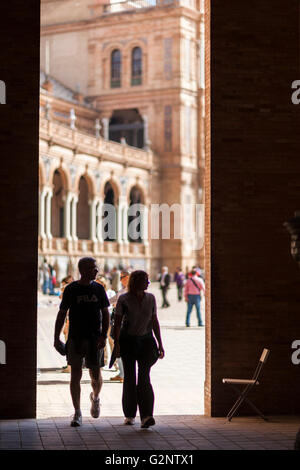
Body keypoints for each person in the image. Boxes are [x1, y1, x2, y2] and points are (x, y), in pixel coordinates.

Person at [54, 257, 110, 427]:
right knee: (75, 375)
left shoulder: (99, 289)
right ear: (83, 270)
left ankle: (96, 397)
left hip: (95, 338)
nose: (97, 271)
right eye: (93, 268)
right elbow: (62, 313)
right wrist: (56, 337)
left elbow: (105, 313)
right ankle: (77, 411)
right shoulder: (71, 289)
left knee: (95, 374)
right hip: (76, 338)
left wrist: (104, 336)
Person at [113, 270, 165, 428]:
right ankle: (129, 414)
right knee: (129, 378)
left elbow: (154, 320)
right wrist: (116, 344)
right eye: (145, 280)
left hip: (146, 341)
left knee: (144, 378)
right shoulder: (124, 299)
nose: (148, 283)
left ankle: (146, 416)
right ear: (136, 281)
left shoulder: (151, 298)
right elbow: (117, 323)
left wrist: (160, 344)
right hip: (128, 341)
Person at [108, 270, 130, 382]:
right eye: (120, 277)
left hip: (126, 325)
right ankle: (122, 373)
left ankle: (124, 374)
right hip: (120, 323)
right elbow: (112, 300)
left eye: (123, 277)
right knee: (119, 349)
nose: (120, 279)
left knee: (122, 349)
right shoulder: (122, 291)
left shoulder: (131, 291)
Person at [60, 275, 74, 373]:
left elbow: (67, 314)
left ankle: (70, 366)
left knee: (70, 344)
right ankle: (69, 365)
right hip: (69, 322)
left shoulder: (69, 298)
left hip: (70, 323)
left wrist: (66, 326)